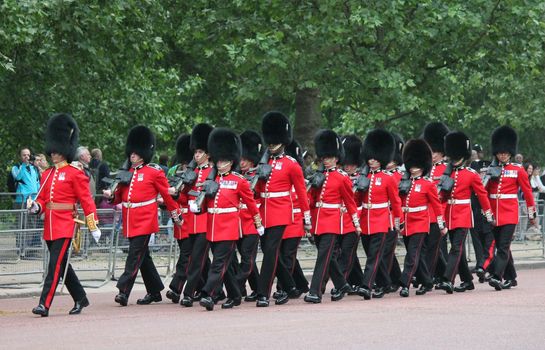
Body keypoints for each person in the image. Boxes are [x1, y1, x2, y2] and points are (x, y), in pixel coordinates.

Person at [28, 113, 101, 317]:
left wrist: (93, 224)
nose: (53, 154)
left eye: (57, 150)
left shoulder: (75, 173)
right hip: (50, 225)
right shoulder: (47, 174)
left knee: (54, 267)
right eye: (52, 150)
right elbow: (42, 199)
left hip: (65, 225)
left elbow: (86, 200)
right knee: (60, 266)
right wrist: (36, 207)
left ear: (65, 150)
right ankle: (80, 298)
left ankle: (44, 304)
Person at [103, 125, 182, 306]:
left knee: (134, 255)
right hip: (130, 220)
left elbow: (167, 195)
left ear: (143, 153)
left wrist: (176, 214)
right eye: (131, 152)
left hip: (146, 219)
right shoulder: (127, 173)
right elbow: (119, 198)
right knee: (143, 257)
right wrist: (111, 195)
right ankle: (154, 291)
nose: (132, 155)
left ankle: (123, 291)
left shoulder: (154, 172)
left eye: (136, 153)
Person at [196, 128, 263, 311]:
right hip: (213, 226)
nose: (220, 164)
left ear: (231, 161)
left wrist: (258, 223)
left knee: (218, 264)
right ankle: (234, 295)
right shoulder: (212, 179)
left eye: (224, 161)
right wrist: (198, 206)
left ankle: (208, 294)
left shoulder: (239, 180)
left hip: (229, 227)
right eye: (218, 160)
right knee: (224, 267)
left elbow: (250, 204)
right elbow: (207, 204)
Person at [254, 111, 310, 307]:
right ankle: (290, 285)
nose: (271, 145)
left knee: (270, 251)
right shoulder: (263, 163)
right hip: (263, 212)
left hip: (280, 212)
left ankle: (263, 293)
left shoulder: (291, 164)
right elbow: (257, 191)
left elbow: (302, 192)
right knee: (269, 250)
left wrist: (306, 216)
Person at [304, 130, 360, 303]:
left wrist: (356, 223)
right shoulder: (319, 176)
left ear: (336, 158)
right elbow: (311, 200)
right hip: (318, 220)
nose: (326, 160)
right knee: (330, 257)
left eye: (330, 157)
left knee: (323, 256)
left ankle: (315, 291)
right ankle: (342, 284)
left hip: (332, 221)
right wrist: (308, 220)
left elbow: (350, 202)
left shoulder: (342, 178)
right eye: (324, 157)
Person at [435, 131, 493, 294]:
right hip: (448, 214)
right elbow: (441, 196)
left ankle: (448, 279)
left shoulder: (471, 174)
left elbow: (482, 195)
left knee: (456, 247)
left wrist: (488, 214)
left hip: (463, 214)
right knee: (457, 249)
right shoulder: (447, 173)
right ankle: (467, 280)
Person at [486, 126, 536, 290]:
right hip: (494, 213)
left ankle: (496, 276)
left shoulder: (517, 170)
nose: (503, 155)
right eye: (500, 152)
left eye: (506, 153)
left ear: (510, 152)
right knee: (502, 245)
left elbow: (528, 193)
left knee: (503, 246)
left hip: (510, 213)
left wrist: (531, 213)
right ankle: (511, 277)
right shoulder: (491, 170)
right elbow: (485, 191)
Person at [355, 129, 402, 300]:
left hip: (382, 221)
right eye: (370, 157)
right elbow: (357, 200)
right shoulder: (364, 175)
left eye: (375, 158)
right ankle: (385, 283)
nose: (372, 160)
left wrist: (398, 222)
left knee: (374, 256)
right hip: (366, 220)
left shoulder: (388, 178)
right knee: (372, 255)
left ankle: (366, 285)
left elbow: (396, 202)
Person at [398, 139, 446, 297]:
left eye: (416, 164)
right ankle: (427, 281)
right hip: (406, 223)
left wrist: (441, 224)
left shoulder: (428, 184)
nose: (413, 167)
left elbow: (437, 206)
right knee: (416, 255)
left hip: (420, 223)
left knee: (412, 255)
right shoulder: (404, 182)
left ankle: (404, 283)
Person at [181, 123, 216, 307]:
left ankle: (188, 293)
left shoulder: (213, 173)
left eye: (200, 152)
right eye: (195, 152)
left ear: (208, 154)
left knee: (197, 259)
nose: (196, 155)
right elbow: (182, 197)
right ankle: (217, 290)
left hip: (205, 221)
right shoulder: (192, 172)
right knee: (201, 260)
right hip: (191, 221)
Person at [274, 139, 309, 300]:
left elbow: (305, 200)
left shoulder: (300, 180)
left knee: (287, 255)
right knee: (283, 256)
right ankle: (300, 284)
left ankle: (283, 288)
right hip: (282, 220)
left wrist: (306, 220)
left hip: (295, 222)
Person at [235, 130, 264, 302]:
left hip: (253, 221)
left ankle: (237, 286)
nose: (242, 162)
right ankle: (258, 288)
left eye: (245, 159)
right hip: (238, 221)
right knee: (247, 259)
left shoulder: (260, 176)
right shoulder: (238, 176)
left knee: (247, 258)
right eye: (241, 159)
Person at [165, 134, 193, 304]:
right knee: (197, 260)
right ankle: (215, 289)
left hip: (191, 219)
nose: (184, 165)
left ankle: (176, 288)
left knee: (186, 256)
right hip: (179, 220)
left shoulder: (197, 175)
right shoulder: (176, 172)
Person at [420, 122, 450, 284]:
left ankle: (429, 277)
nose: (433, 154)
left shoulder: (447, 168)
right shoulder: (425, 169)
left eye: (436, 151)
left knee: (435, 247)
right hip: (424, 213)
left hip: (440, 213)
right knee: (433, 248)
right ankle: (442, 275)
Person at [375, 132, 404, 297]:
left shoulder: (400, 176)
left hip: (393, 217)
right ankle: (393, 278)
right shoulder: (381, 175)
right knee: (387, 250)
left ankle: (383, 282)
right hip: (382, 216)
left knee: (386, 250)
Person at [338, 135, 365, 293]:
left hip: (355, 220)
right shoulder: (340, 176)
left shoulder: (361, 179)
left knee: (347, 252)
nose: (348, 167)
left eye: (351, 164)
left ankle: (341, 282)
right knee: (348, 253)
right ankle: (358, 280)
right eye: (346, 164)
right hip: (340, 220)